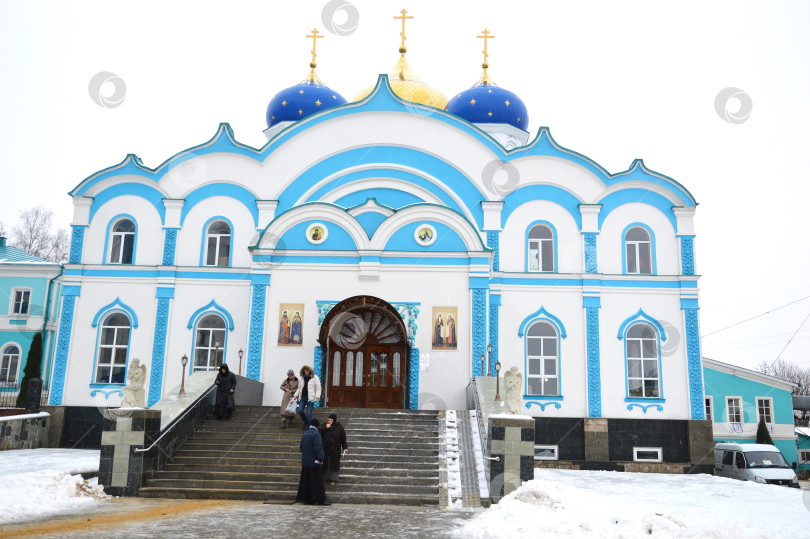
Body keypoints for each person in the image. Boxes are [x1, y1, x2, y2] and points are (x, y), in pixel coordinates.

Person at [297, 417, 330, 505]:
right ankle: (320, 499)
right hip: (314, 463)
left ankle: (307, 499)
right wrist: (321, 459)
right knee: (317, 482)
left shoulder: (305, 433)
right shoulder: (316, 434)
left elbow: (301, 448)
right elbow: (318, 448)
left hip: (306, 463)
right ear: (317, 426)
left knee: (307, 483)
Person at [319, 413, 348, 484]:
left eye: (331, 420)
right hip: (326, 449)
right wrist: (325, 428)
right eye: (329, 420)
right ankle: (325, 477)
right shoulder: (324, 426)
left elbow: (343, 438)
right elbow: (319, 432)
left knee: (333, 464)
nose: (329, 422)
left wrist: (345, 447)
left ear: (334, 420)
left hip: (335, 450)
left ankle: (332, 479)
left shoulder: (339, 427)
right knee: (326, 463)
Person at [294, 365, 321, 430]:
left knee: (309, 414)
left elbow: (318, 388)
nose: (306, 372)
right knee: (300, 411)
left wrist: (317, 397)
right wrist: (295, 395)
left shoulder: (315, 378)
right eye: (304, 371)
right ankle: (306, 422)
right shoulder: (302, 378)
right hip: (302, 397)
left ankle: (309, 428)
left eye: (307, 371)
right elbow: (299, 388)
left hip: (310, 399)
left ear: (310, 371)